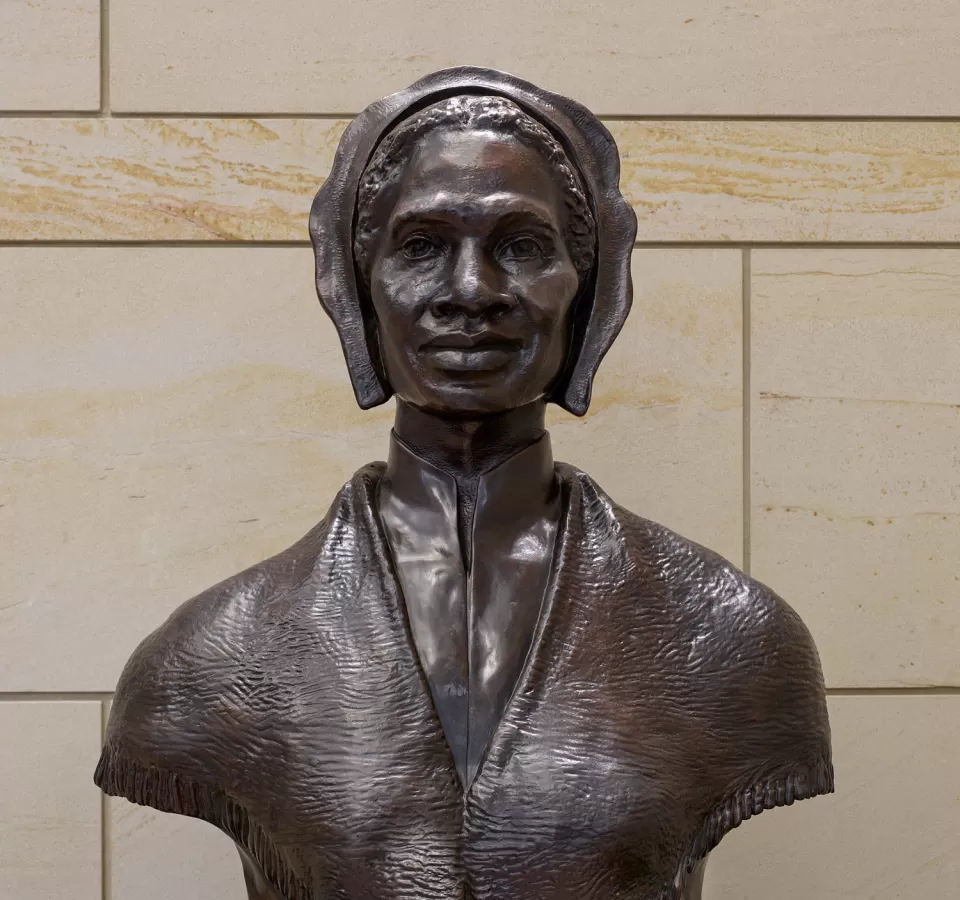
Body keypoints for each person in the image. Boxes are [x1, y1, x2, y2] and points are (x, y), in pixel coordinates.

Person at [96, 68, 833, 900]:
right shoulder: (208, 657)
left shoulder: (732, 638)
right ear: (358, 286)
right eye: (421, 248)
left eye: (520, 246)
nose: (471, 292)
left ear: (587, 289)